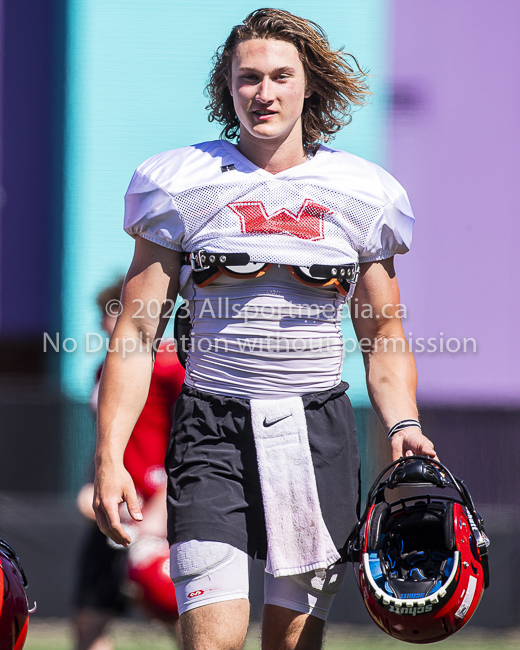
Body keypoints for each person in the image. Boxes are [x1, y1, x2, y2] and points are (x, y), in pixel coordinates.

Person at [93, 8, 437, 650]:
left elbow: (383, 334)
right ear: (227, 87)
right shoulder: (179, 182)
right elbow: (137, 335)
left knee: (293, 643)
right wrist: (110, 455)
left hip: (316, 433)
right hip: (211, 429)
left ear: (310, 86)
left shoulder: (362, 193)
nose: (264, 93)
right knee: (212, 640)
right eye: (248, 78)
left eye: (282, 76)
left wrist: (404, 423)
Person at [73, 278, 184, 650]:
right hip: (116, 502)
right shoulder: (104, 370)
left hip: (155, 504)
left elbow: (189, 434)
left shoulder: (168, 364)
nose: (102, 325)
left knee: (172, 604)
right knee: (90, 612)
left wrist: (162, 505)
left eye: (108, 314)